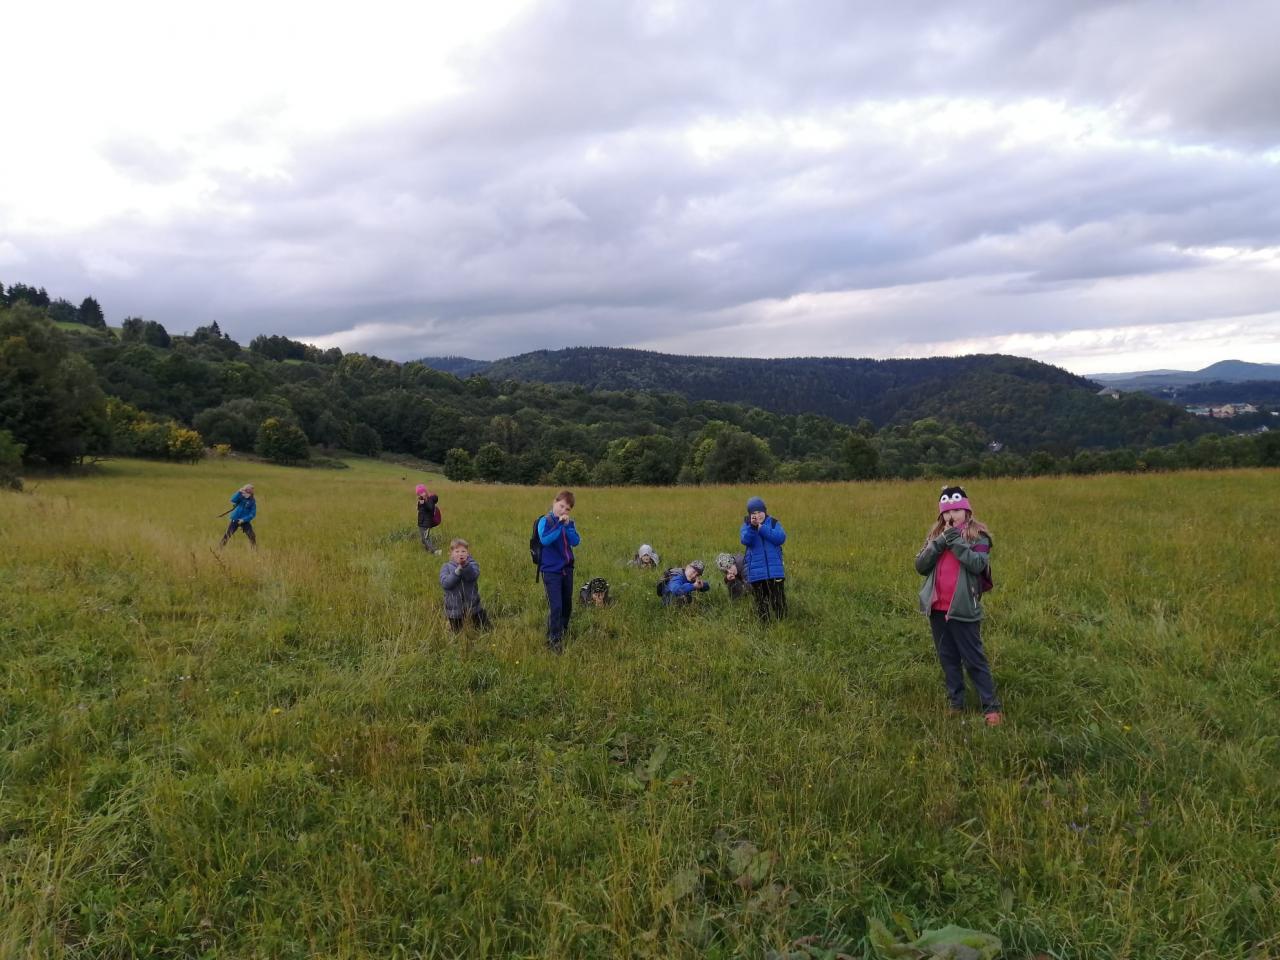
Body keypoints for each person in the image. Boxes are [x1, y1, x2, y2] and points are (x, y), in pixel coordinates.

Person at [914, 485, 1002, 726]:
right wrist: (940, 542)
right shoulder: (936, 536)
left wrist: (954, 540)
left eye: (956, 510)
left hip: (964, 607)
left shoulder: (978, 537)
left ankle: (991, 706)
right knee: (948, 658)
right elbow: (920, 565)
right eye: (946, 512)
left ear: (966, 511)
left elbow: (977, 564)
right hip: (937, 607)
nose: (951, 516)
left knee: (973, 658)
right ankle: (956, 703)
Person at [537, 490, 580, 652]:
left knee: (567, 604)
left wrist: (568, 527)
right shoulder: (545, 521)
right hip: (551, 571)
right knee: (556, 606)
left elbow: (575, 541)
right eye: (561, 506)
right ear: (554, 502)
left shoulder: (569, 523)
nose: (563, 510)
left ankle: (563, 629)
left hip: (567, 569)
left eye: (567, 509)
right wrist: (559, 525)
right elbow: (545, 540)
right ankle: (554, 640)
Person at [740, 496, 786, 620]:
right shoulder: (746, 525)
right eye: (753, 513)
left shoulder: (773, 522)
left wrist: (762, 528)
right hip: (756, 573)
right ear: (750, 515)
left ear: (765, 511)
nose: (757, 515)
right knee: (761, 602)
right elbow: (745, 540)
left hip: (775, 571)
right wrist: (753, 527)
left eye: (760, 512)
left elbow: (780, 538)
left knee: (779, 601)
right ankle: (765, 626)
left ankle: (782, 623)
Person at [439, 538, 490, 632]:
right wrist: (457, 572)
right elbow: (446, 584)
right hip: (454, 607)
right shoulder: (446, 567)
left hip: (473, 604)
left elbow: (473, 576)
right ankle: (452, 629)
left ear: (468, 553)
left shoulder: (472, 564)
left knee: (484, 627)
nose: (460, 554)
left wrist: (465, 566)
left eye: (463, 551)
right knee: (456, 632)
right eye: (457, 551)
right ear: (451, 554)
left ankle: (484, 630)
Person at [219, 484, 257, 548]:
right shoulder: (240, 497)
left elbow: (252, 514)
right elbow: (232, 500)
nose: (244, 494)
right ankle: (220, 548)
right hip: (235, 519)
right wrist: (239, 492)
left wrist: (243, 520)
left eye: (247, 493)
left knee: (251, 535)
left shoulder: (252, 502)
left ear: (250, 493)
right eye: (244, 492)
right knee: (227, 534)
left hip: (245, 521)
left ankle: (254, 549)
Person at [416, 485, 441, 554]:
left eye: (422, 492)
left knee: (426, 538)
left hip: (426, 523)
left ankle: (435, 551)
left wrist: (424, 503)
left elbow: (430, 508)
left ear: (426, 492)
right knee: (423, 539)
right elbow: (419, 510)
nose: (421, 494)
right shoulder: (422, 500)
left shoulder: (430, 499)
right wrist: (420, 503)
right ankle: (428, 550)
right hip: (421, 523)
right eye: (419, 494)